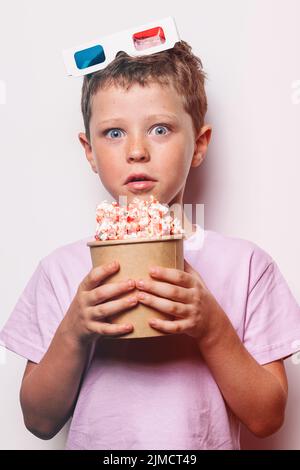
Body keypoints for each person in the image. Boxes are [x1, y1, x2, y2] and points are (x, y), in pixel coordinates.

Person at [1, 41, 300, 450]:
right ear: (89, 151)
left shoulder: (247, 266)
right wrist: (75, 329)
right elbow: (38, 420)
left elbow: (267, 419)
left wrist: (212, 327)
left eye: (160, 129)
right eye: (114, 132)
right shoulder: (60, 270)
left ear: (199, 143)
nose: (137, 151)